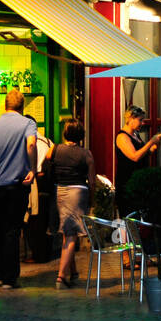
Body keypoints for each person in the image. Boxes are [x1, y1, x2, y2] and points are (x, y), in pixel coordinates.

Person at [0, 89, 38, 289]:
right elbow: (31, 145)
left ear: (5, 105)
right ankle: (9, 278)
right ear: (22, 107)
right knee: (13, 229)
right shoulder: (28, 124)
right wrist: (32, 169)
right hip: (16, 186)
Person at [45, 118, 94, 289]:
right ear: (81, 135)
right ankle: (61, 277)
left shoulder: (55, 149)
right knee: (71, 233)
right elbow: (92, 180)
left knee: (67, 232)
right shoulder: (86, 154)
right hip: (78, 192)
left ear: (65, 133)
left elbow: (46, 160)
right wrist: (92, 198)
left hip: (60, 191)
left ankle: (72, 272)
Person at [114, 107, 161, 218]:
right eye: (140, 120)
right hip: (127, 185)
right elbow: (134, 156)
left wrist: (152, 148)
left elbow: (142, 154)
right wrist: (151, 141)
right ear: (131, 119)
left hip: (138, 184)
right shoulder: (122, 137)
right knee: (130, 219)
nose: (142, 123)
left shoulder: (135, 134)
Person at [24, 116, 55, 264]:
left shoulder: (31, 143)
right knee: (45, 220)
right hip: (49, 186)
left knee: (34, 221)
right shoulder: (48, 141)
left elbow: (32, 168)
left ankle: (37, 255)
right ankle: (46, 253)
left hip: (36, 184)